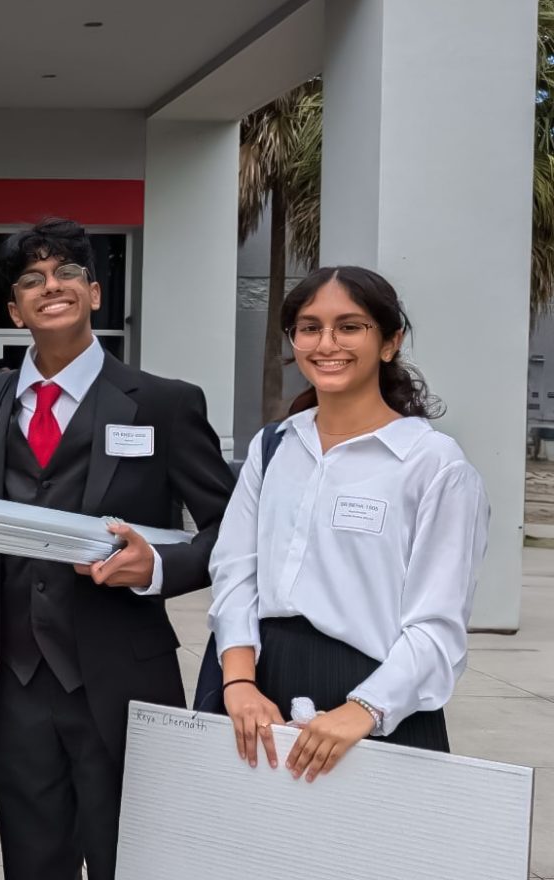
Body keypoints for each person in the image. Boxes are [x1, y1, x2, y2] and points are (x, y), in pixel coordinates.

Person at [0, 218, 235, 880]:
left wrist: (157, 566)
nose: (52, 286)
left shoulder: (162, 403)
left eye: (68, 272)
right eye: (33, 278)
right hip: (14, 684)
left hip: (121, 676)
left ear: (95, 293)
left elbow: (235, 532)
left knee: (136, 861)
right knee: (32, 867)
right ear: (14, 309)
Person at [208, 266, 490, 782]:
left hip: (377, 703)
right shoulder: (273, 447)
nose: (327, 343)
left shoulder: (433, 464)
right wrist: (238, 684)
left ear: (389, 342)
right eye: (309, 327)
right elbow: (234, 573)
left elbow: (437, 624)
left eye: (350, 326)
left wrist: (364, 710)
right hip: (256, 688)